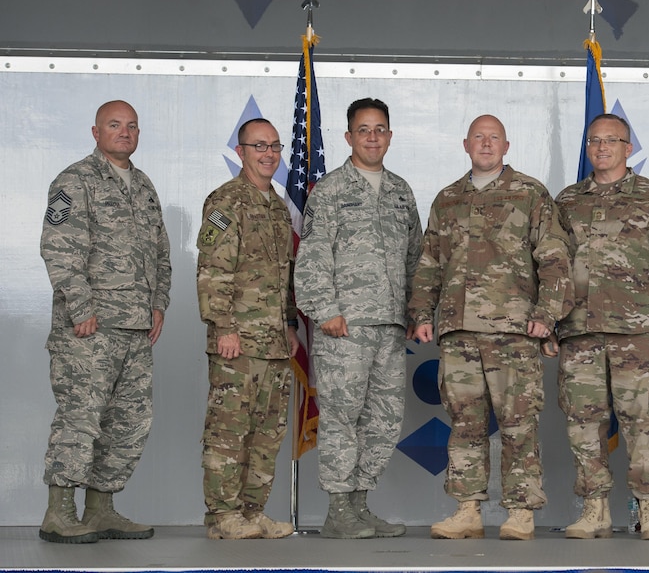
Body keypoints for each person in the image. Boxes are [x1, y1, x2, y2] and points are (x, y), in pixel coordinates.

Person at [409, 114, 573, 541]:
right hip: (458, 331)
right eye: (478, 137)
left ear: (506, 145)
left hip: (514, 331)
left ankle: (520, 512)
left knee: (519, 423)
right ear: (466, 145)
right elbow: (429, 263)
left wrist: (546, 314)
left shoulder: (530, 194)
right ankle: (467, 510)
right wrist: (422, 314)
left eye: (493, 138)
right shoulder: (446, 199)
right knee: (465, 424)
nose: (486, 144)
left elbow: (554, 258)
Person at [547, 113, 649, 541]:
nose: (601, 148)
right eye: (594, 141)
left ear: (628, 148)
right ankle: (594, 510)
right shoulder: (567, 201)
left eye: (611, 141)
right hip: (579, 333)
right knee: (582, 423)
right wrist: (550, 322)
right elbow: (551, 267)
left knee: (644, 424)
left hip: (640, 334)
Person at [39, 100, 171, 544]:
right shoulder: (74, 181)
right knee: (81, 417)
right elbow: (59, 249)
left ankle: (99, 509)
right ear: (96, 132)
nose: (125, 132)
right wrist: (81, 310)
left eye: (132, 126)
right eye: (115, 125)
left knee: (127, 421)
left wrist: (159, 304)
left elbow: (161, 254)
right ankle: (59, 512)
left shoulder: (145, 186)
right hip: (89, 329)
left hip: (135, 329)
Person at [294, 98, 422, 539]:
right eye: (364, 129)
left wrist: (414, 313)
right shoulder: (329, 191)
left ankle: (360, 504)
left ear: (389, 135)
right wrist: (325, 311)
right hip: (343, 328)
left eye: (380, 129)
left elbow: (415, 258)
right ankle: (337, 511)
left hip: (389, 327)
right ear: (348, 137)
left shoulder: (402, 192)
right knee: (341, 418)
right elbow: (310, 258)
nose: (373, 137)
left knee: (383, 419)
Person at [196, 118, 299, 540]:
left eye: (275, 146)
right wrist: (223, 327)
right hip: (237, 340)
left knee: (267, 434)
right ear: (241, 152)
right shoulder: (225, 202)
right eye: (259, 146)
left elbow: (285, 276)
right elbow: (212, 270)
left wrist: (290, 325)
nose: (269, 154)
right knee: (228, 431)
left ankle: (252, 513)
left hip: (274, 342)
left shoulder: (276, 206)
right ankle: (222, 516)